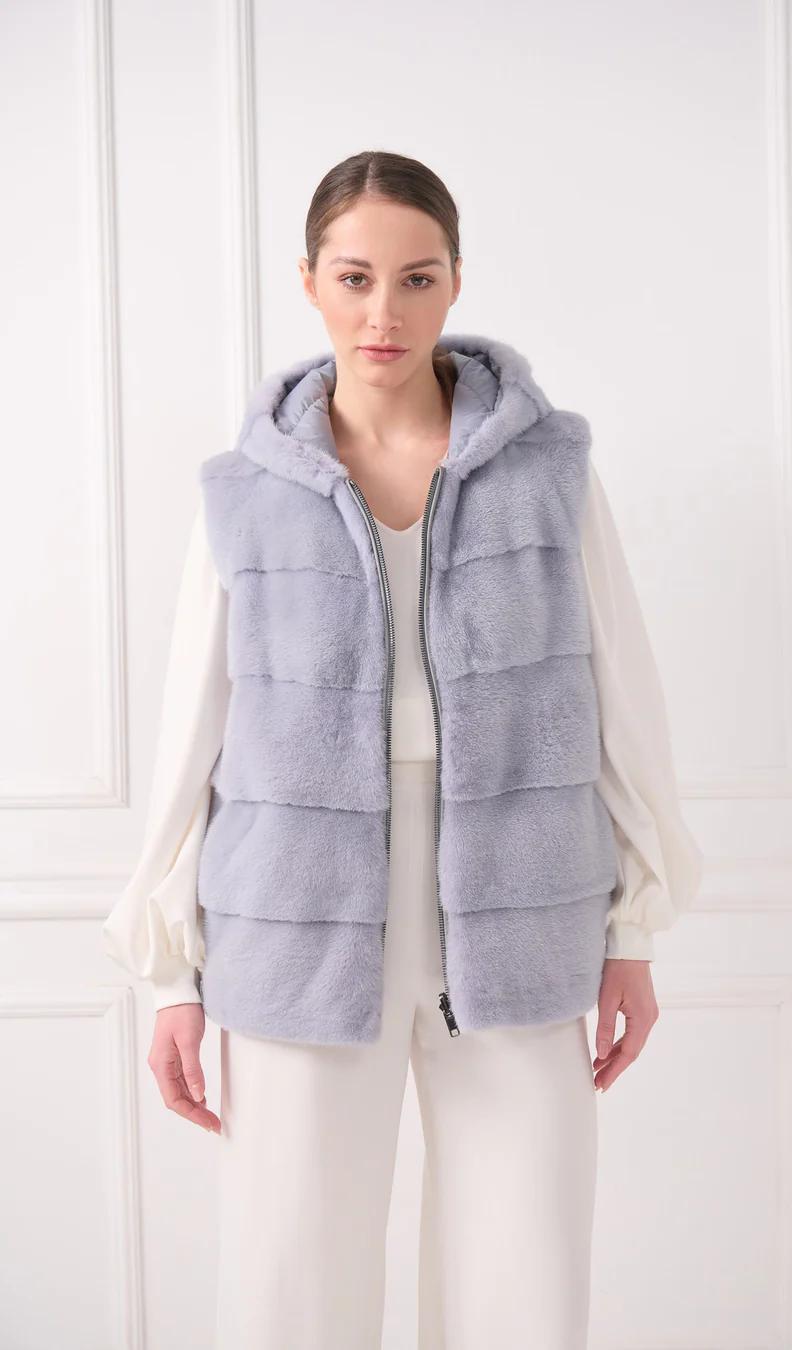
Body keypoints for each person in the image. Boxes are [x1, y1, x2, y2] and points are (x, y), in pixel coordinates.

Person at [102, 150, 703, 1349]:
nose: (385, 311)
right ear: (309, 282)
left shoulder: (549, 472)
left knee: (524, 1279)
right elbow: (191, 736)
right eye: (355, 277)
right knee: (289, 1284)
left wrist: (634, 933)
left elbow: (624, 702)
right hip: (293, 918)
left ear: (456, 281)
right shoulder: (244, 493)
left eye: (417, 278)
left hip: (522, 906)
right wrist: (170, 975)